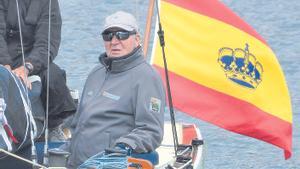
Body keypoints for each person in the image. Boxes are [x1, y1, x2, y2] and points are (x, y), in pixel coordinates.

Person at [64, 11, 166, 168]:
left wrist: (124, 146)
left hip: (110, 164)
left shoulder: (147, 77)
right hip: (76, 163)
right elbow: (78, 123)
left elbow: (151, 131)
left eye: (122, 34)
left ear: (137, 39)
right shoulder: (95, 73)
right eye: (108, 35)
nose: (114, 41)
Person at [0, 0, 76, 141]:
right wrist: (5, 65)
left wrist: (28, 67)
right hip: (4, 58)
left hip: (33, 59)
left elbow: (47, 43)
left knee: (54, 76)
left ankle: (54, 127)